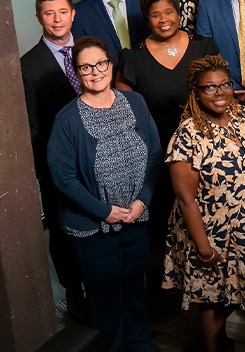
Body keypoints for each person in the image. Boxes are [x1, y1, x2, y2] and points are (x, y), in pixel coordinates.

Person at [46, 36, 160, 352]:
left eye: (101, 64)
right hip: (93, 229)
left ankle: (140, 344)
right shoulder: (67, 119)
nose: (95, 72)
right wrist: (104, 211)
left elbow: (154, 151)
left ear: (110, 65)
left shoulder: (135, 102)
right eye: (86, 67)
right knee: (105, 297)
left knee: (136, 289)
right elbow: (64, 178)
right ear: (76, 72)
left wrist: (143, 199)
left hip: (136, 218)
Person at [162, 55, 245, 352]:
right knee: (212, 301)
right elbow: (185, 199)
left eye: (224, 84)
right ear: (195, 92)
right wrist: (204, 249)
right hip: (209, 233)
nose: (219, 92)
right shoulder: (188, 135)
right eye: (209, 88)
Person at [113, 0, 221, 289]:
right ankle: (168, 284)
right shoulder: (133, 58)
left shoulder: (204, 46)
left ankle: (208, 273)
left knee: (206, 210)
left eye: (169, 12)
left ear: (179, 13)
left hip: (206, 147)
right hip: (157, 153)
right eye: (155, 15)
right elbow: (123, 109)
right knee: (163, 217)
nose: (164, 20)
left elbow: (221, 90)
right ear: (147, 20)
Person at [20, 0, 86, 321]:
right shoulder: (28, 65)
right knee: (62, 231)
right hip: (59, 164)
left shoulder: (91, 49)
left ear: (73, 14)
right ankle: (74, 291)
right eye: (49, 13)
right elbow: (31, 125)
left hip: (102, 155)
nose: (57, 20)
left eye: (63, 12)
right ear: (38, 18)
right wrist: (42, 169)